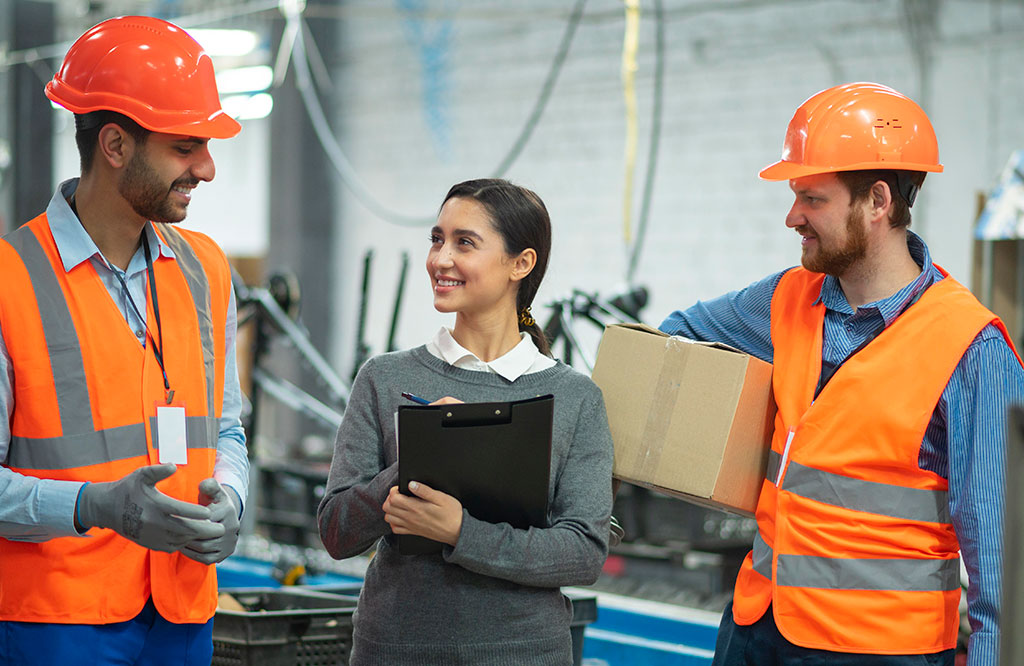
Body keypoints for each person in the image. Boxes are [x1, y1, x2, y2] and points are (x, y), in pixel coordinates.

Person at [659, 82, 1024, 665]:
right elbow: (673, 340)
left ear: (878, 201)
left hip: (878, 650)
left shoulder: (972, 350)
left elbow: (1003, 564)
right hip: (757, 626)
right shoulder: (783, 299)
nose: (792, 216)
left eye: (813, 198)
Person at [0, 16, 249, 666]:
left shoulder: (207, 269)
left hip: (183, 612)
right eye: (186, 146)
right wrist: (94, 505)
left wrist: (232, 496)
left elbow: (224, 429)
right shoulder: (8, 280)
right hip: (54, 624)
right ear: (114, 144)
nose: (208, 167)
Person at [317, 178, 614, 665]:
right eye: (437, 239)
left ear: (521, 264)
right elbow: (336, 532)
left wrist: (461, 532)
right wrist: (420, 457)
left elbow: (582, 553)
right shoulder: (385, 378)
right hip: (394, 649)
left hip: (523, 653)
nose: (440, 259)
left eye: (464, 243)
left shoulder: (575, 398)